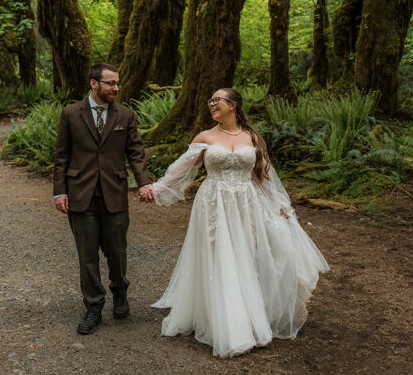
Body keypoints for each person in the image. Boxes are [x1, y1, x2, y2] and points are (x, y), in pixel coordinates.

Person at [150, 87, 329, 358]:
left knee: (249, 255)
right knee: (221, 257)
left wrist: (282, 205)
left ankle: (253, 314)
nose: (211, 104)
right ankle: (229, 325)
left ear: (233, 105)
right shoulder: (205, 136)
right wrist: (156, 188)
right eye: (210, 100)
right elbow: (182, 168)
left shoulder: (252, 137)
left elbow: (265, 174)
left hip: (247, 204)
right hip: (214, 204)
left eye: (216, 100)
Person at [52, 63, 155, 335]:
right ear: (93, 84)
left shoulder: (125, 114)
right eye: (110, 83)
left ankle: (120, 291)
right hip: (80, 195)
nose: (116, 88)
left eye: (117, 83)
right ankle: (93, 307)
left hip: (114, 193)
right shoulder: (71, 114)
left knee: (117, 252)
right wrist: (60, 190)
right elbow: (62, 155)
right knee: (87, 256)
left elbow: (136, 152)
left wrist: (143, 182)